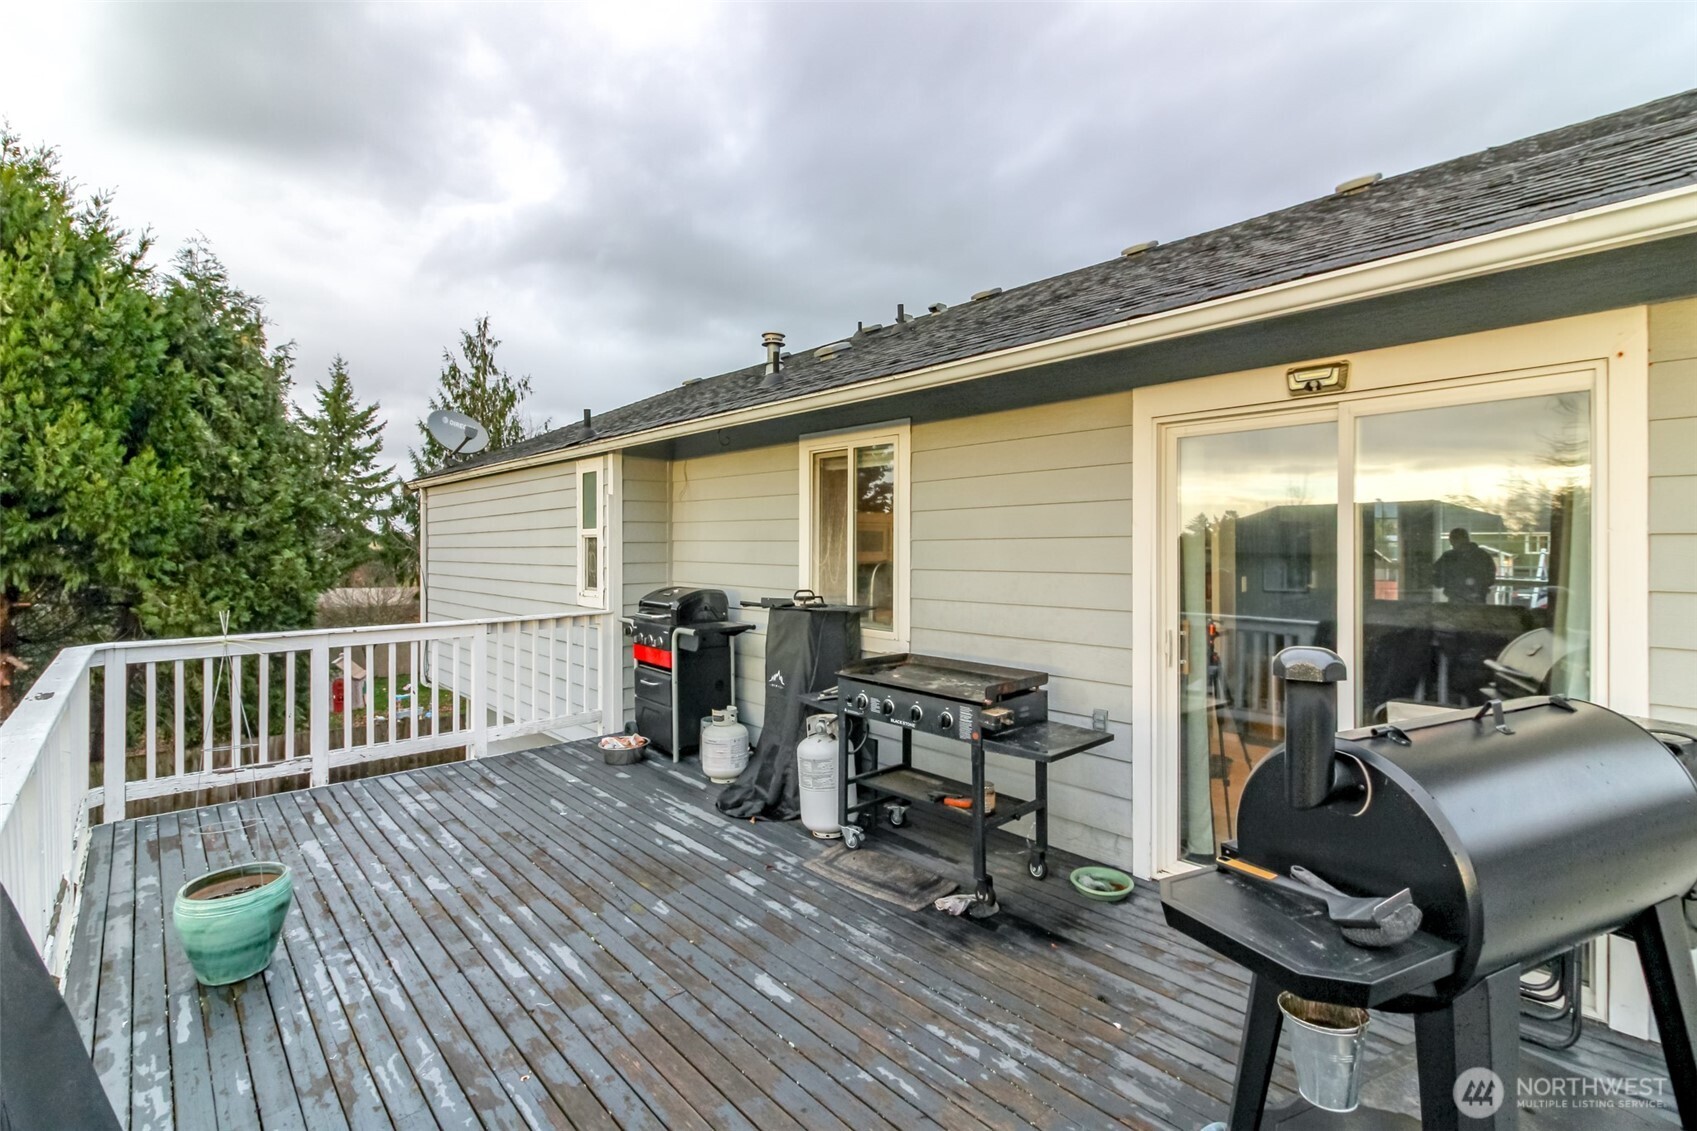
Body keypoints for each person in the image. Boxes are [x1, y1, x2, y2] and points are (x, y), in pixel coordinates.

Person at [1433, 527, 1496, 604]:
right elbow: (1490, 578)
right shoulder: (1483, 555)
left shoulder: (1448, 557)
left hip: (1456, 599)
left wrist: (1451, 583)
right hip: (1477, 599)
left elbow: (1437, 579)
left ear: (1452, 541)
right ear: (1467, 538)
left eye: (1453, 540)